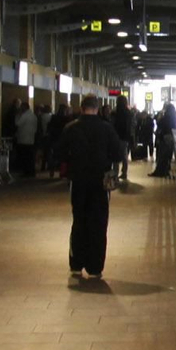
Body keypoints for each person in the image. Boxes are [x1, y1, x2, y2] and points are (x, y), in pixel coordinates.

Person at [53, 94, 123, 278]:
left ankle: (76, 263)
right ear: (97, 108)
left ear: (82, 107)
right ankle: (95, 267)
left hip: (78, 180)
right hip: (100, 182)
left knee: (79, 220)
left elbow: (58, 153)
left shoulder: (71, 128)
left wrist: (72, 161)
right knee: (99, 223)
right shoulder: (106, 128)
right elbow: (118, 153)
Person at [151, 100, 176, 176]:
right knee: (167, 156)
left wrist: (160, 116)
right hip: (171, 136)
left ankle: (160, 172)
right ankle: (166, 171)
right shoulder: (175, 117)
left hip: (165, 137)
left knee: (162, 155)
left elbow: (159, 123)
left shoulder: (167, 117)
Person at [111, 96, 135, 181]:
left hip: (115, 136)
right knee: (124, 155)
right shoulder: (129, 113)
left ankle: (115, 173)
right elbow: (132, 126)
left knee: (115, 156)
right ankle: (124, 173)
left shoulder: (114, 112)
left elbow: (112, 124)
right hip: (125, 137)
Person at [13, 100, 38, 177]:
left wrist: (17, 116)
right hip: (31, 139)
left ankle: (27, 172)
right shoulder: (33, 115)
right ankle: (31, 172)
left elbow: (18, 123)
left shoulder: (24, 115)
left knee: (25, 157)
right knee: (30, 157)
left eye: (21, 107)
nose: (20, 108)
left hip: (23, 139)